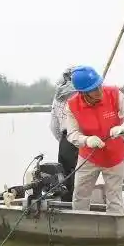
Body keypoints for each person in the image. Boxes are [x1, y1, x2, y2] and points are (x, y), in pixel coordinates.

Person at [63, 65, 124, 214]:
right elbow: (72, 134)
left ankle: (114, 230)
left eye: (99, 85)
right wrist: (87, 140)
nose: (99, 91)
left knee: (114, 197)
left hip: (115, 156)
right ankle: (80, 227)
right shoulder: (72, 106)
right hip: (88, 158)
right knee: (80, 195)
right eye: (93, 89)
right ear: (82, 93)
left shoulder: (115, 94)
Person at [49, 66, 79, 201]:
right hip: (81, 137)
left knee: (65, 176)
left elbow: (53, 126)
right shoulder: (83, 93)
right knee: (82, 175)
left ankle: (66, 204)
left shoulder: (58, 97)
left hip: (65, 140)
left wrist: (63, 140)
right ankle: (80, 207)